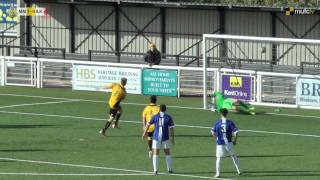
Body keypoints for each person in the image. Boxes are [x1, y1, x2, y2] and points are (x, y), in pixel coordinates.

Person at [142, 104, 175, 175]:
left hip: (156, 138)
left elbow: (148, 124)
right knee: (167, 153)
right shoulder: (168, 117)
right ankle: (169, 170)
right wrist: (172, 138)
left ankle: (155, 170)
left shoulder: (155, 116)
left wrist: (144, 133)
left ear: (159, 109)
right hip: (165, 138)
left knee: (155, 154)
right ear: (165, 110)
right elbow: (171, 128)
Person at [211, 108, 241, 178]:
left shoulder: (217, 123)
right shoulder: (230, 122)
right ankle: (239, 170)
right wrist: (235, 141)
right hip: (229, 143)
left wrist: (216, 138)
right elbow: (236, 132)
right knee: (233, 156)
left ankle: (218, 173)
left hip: (220, 143)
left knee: (218, 158)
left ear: (221, 114)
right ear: (227, 114)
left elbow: (213, 132)